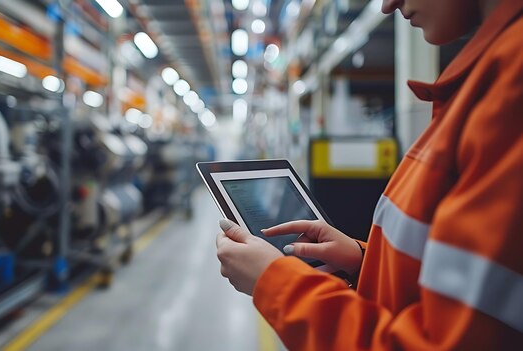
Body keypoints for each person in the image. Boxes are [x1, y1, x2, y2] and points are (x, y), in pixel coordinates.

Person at [215, 0, 523, 349]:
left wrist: (275, 284)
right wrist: (365, 260)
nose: (389, 4)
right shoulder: (486, 83)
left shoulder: (511, 90)